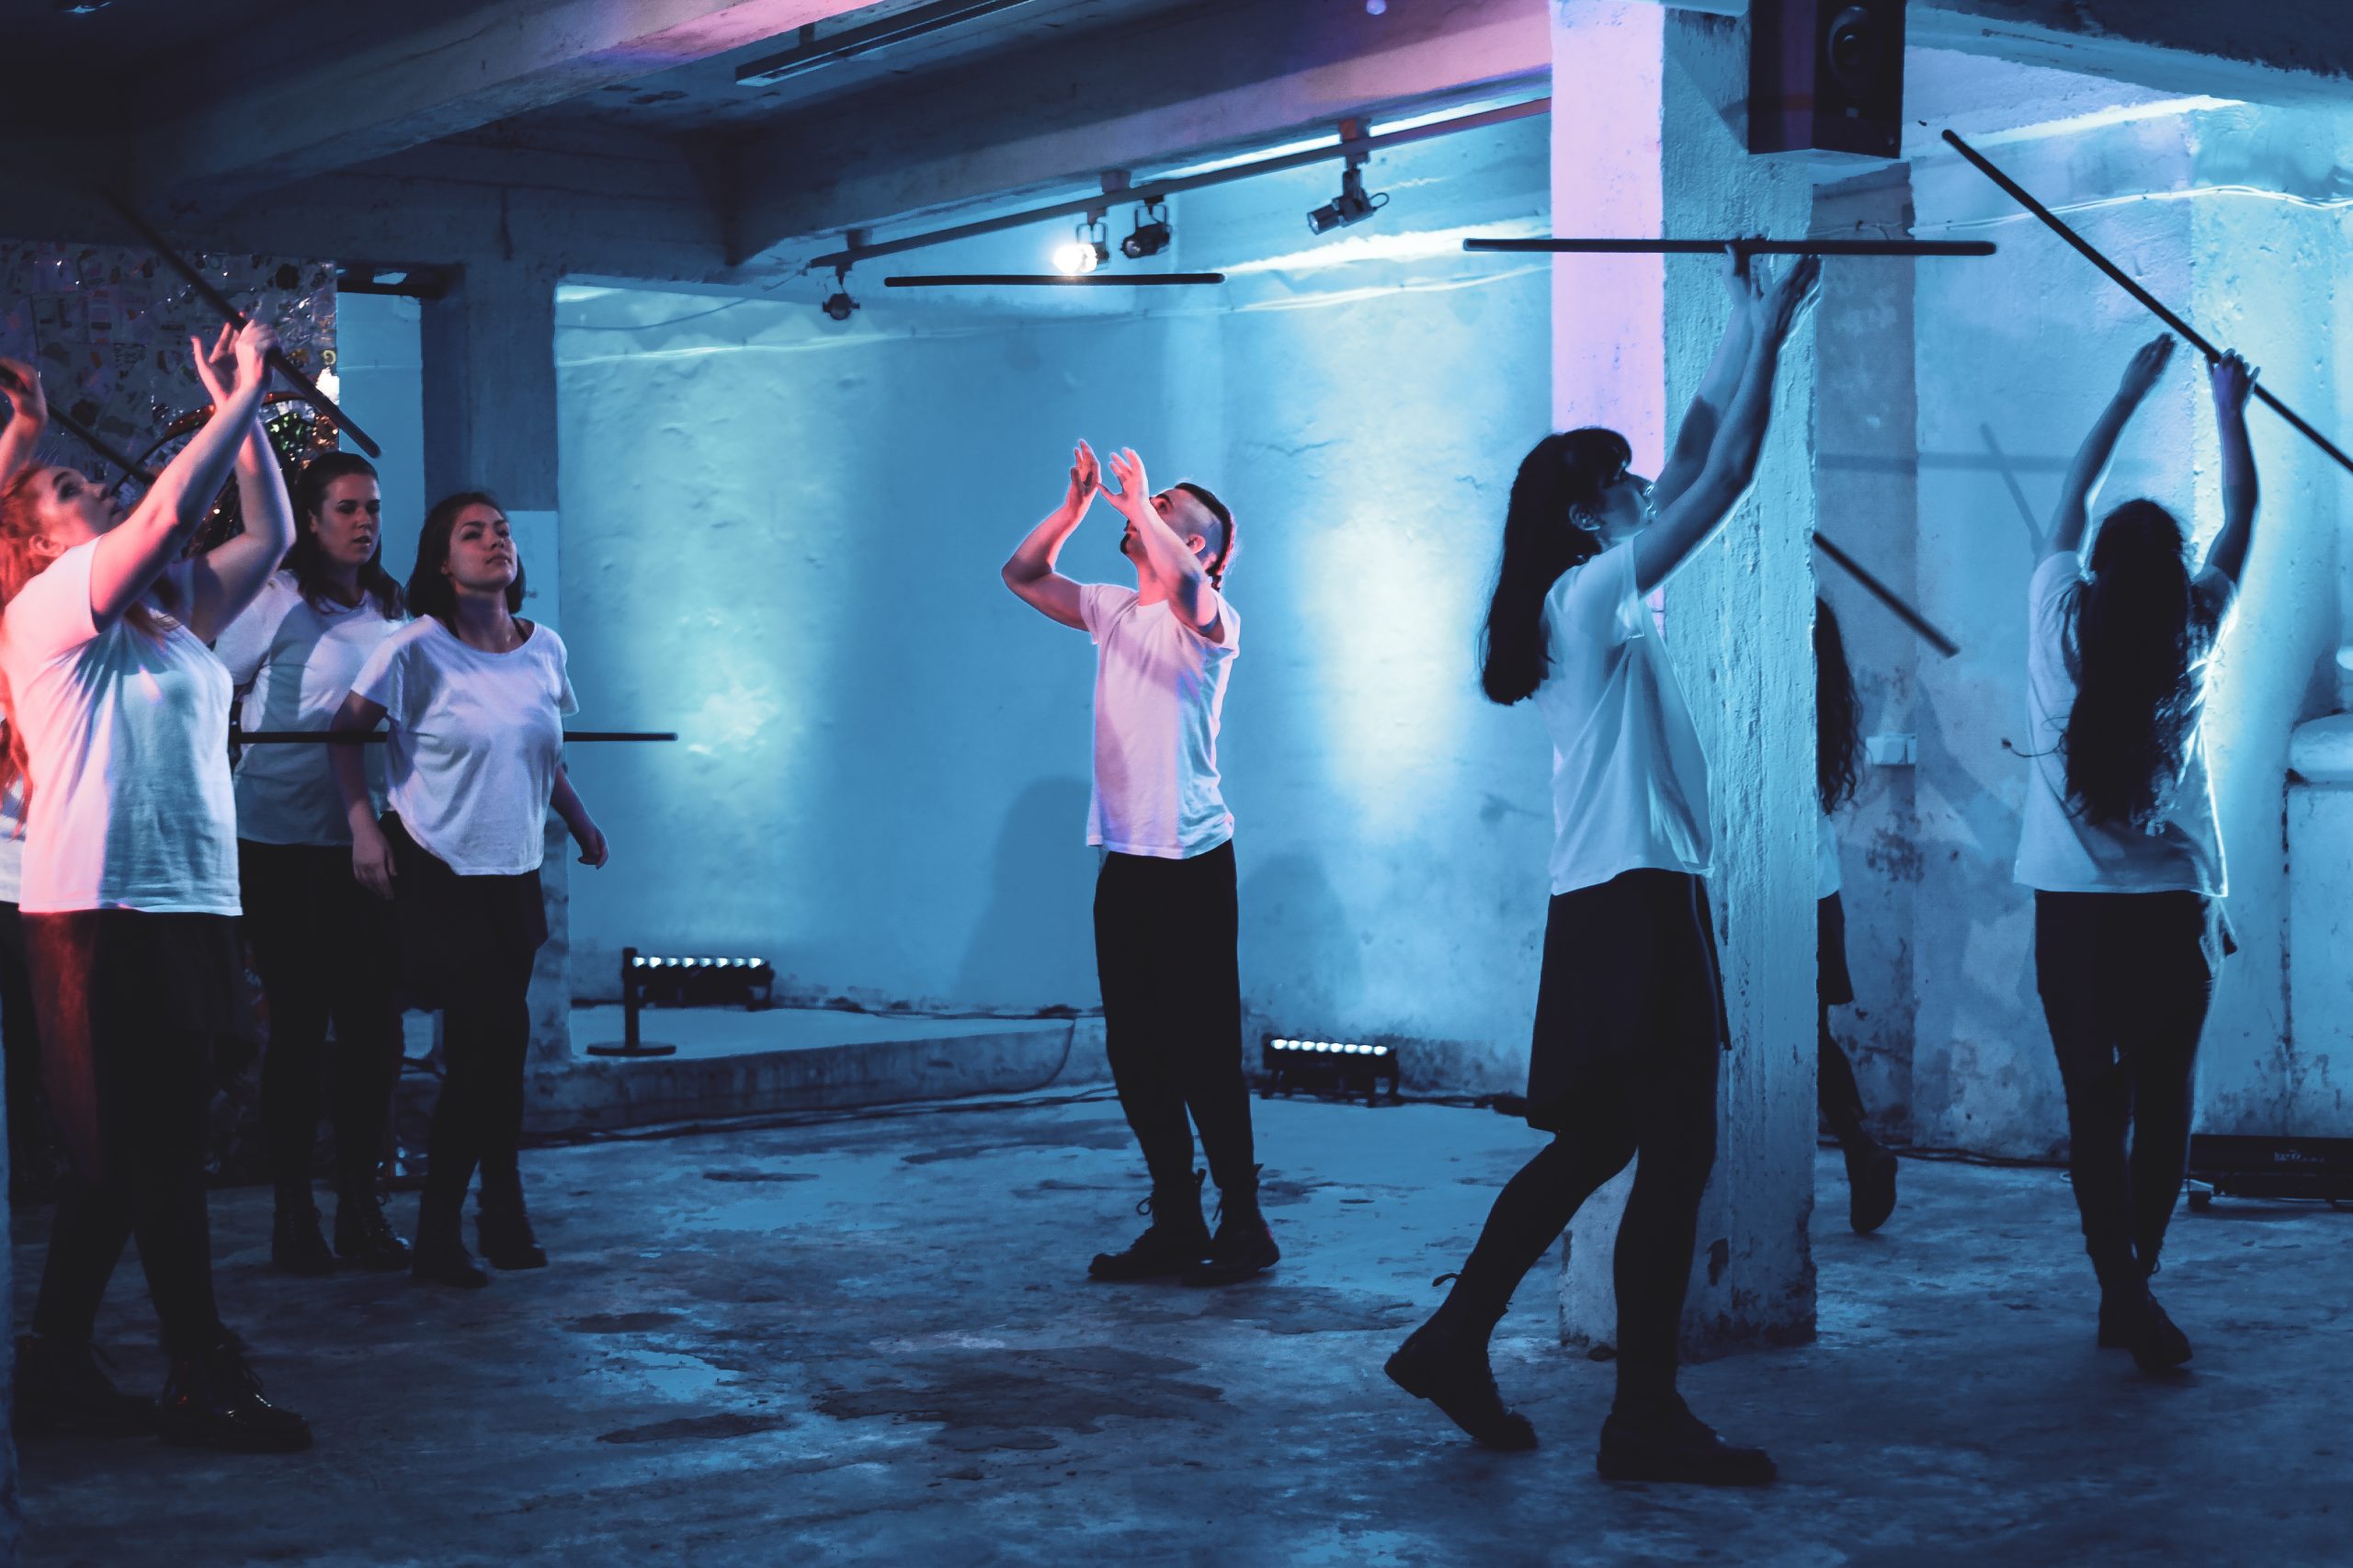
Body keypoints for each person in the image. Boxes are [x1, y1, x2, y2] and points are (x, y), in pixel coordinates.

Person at [1386, 248, 1819, 1483]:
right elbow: (1722, 475)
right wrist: (1776, 336)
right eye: (1616, 479)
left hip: (1610, 902)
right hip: (1635, 902)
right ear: (1585, 515)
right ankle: (1641, 1415)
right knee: (1672, 1157)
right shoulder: (1585, 598)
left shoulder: (1575, 600)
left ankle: (1457, 1337)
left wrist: (1740, 322)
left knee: (1599, 1148)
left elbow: (1688, 454)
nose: (1640, 483)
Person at [0, 325, 312, 1450]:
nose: (96, 485)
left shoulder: (173, 623)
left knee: (125, 1154)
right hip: (102, 915)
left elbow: (270, 533)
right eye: (66, 488)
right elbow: (172, 508)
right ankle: (200, 1369)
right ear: (34, 544)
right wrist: (241, 397)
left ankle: (53, 1357)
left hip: (190, 907)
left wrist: (246, 414)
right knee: (160, 1148)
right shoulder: (44, 614)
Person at [2017, 335, 2256, 1374]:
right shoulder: (2194, 629)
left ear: (2100, 568)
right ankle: (2136, 1285)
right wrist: (2229, 407)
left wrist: (2126, 393)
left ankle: (2120, 1288)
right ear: (2173, 573)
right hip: (2170, 908)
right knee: (2164, 1101)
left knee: (2092, 1101)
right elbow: (2241, 518)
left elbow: (2071, 502)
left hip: (2072, 910)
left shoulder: (2055, 615)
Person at [1000, 440, 1276, 1288]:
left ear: (1196, 547)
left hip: (1192, 859)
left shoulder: (1213, 619)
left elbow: (1190, 590)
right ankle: (1178, 1218)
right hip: (1125, 857)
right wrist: (1075, 510)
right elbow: (1022, 575)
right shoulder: (1115, 610)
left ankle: (1245, 1221)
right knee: (1135, 1051)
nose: (1143, 511)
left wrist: (1142, 504)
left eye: (1163, 511)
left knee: (1203, 1051)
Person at [330, 493, 608, 1288]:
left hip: (513, 869)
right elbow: (345, 736)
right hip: (437, 866)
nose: (495, 542)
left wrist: (580, 821)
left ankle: (496, 1207)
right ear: (443, 564)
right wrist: (363, 828)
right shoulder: (413, 649)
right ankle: (451, 1225)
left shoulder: (543, 648)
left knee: (499, 1051)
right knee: (489, 1044)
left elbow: (542, 754)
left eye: (502, 531)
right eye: (473, 533)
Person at [214, 451, 409, 1274]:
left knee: (373, 1030)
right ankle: (292, 1214)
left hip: (369, 844)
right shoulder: (275, 599)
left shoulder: (393, 606)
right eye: (347, 509)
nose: (364, 523)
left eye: (373, 508)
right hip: (280, 841)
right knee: (298, 1026)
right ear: (312, 518)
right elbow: (214, 686)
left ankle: (360, 1203)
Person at [1813, 597, 1898, 1232]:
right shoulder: (1823, 705)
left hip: (1786, 889)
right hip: (1817, 887)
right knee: (1810, 1033)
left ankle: (1860, 1146)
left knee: (1803, 1035)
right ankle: (1859, 1145)